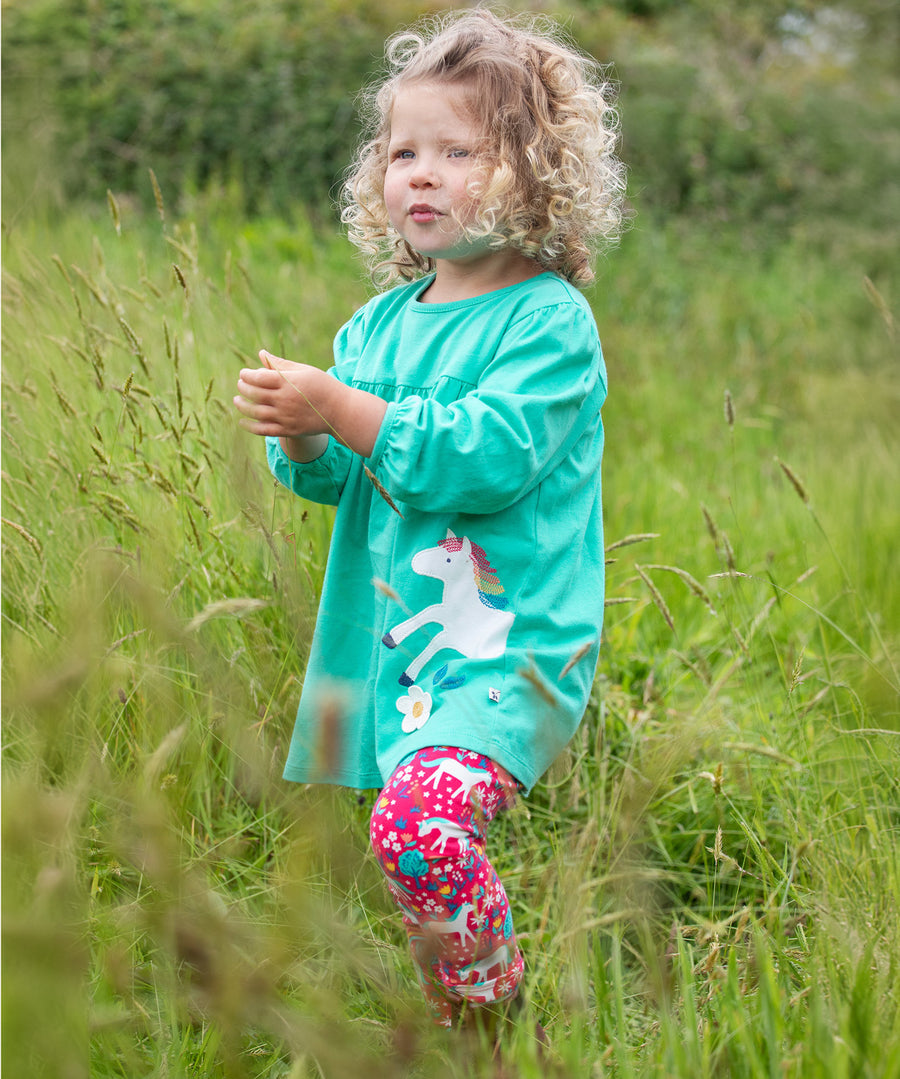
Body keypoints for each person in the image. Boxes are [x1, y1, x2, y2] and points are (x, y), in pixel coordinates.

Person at [233, 6, 625, 1042]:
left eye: (460, 151)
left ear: (539, 174)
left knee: (416, 825)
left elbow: (485, 459)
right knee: (414, 838)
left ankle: (489, 1020)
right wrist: (307, 438)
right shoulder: (374, 327)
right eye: (405, 150)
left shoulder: (546, 320)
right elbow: (344, 485)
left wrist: (346, 411)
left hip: (508, 647)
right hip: (405, 650)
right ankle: (461, 1009)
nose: (422, 172)